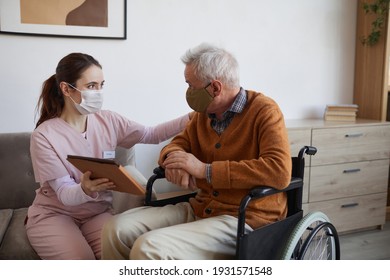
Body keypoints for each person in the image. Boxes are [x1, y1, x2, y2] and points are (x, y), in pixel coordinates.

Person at [101, 43, 292, 260]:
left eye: (191, 85)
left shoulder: (264, 111)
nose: (188, 92)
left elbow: (279, 171)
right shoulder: (203, 115)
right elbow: (175, 145)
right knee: (115, 229)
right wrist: (174, 161)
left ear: (215, 88)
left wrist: (204, 170)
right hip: (202, 208)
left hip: (246, 218)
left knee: (149, 247)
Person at [26, 52, 192, 260]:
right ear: (66, 89)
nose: (99, 92)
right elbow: (64, 194)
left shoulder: (109, 120)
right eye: (91, 86)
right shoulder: (44, 135)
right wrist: (85, 189)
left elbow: (152, 134)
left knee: (121, 257)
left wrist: (192, 117)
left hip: (97, 213)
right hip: (56, 215)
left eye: (101, 85)